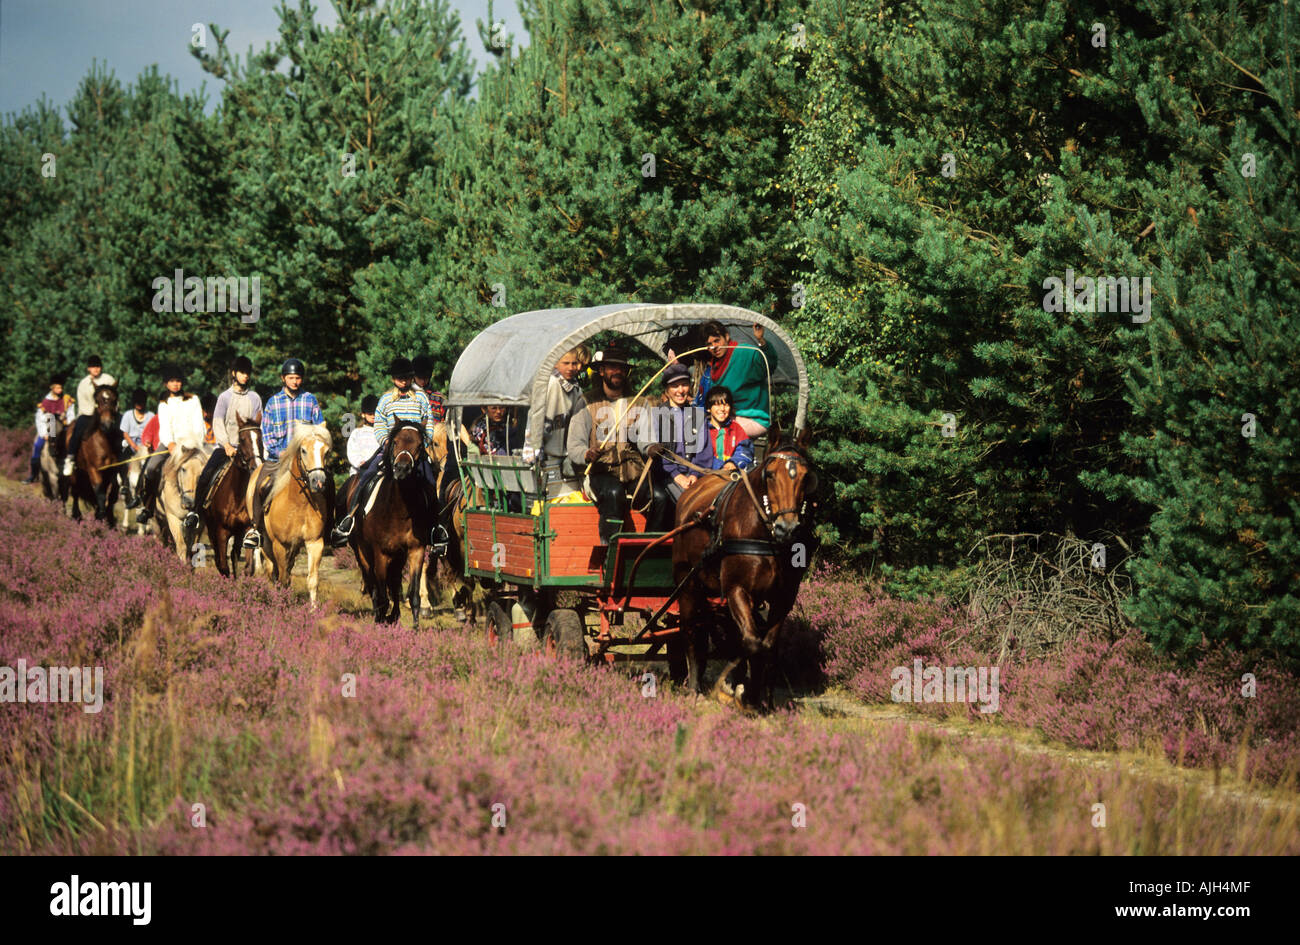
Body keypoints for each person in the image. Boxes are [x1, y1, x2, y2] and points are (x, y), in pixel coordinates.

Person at [330, 357, 436, 546]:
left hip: (415, 451)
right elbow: (379, 423)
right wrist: (385, 440)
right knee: (366, 476)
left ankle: (437, 528)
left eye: (407, 377)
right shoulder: (386, 399)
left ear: (412, 378)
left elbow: (428, 421)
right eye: (399, 377)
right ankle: (350, 518)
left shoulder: (421, 398)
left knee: (431, 482)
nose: (403, 381)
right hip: (391, 450)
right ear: (393, 379)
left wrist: (424, 442)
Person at [566, 342, 653, 544]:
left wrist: (651, 448)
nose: (617, 371)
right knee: (613, 493)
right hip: (599, 471)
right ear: (602, 371)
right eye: (612, 367)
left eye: (621, 367)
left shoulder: (639, 402)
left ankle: (650, 551)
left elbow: (646, 439)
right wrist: (587, 453)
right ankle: (610, 552)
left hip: (633, 472)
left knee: (658, 496)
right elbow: (574, 445)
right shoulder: (587, 402)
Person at [184, 357, 263, 537]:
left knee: (263, 478)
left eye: (247, 373)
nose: (245, 376)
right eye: (242, 372)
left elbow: (259, 425)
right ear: (234, 374)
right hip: (228, 446)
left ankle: (263, 520)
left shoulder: (255, 398)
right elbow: (218, 422)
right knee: (205, 475)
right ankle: (195, 512)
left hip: (249, 449)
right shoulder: (224, 397)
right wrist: (226, 444)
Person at [135, 365, 205, 524]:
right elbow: (165, 429)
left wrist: (195, 443)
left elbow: (199, 425)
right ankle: (148, 506)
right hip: (170, 445)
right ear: (166, 384)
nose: (175, 384)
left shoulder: (193, 400)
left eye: (178, 381)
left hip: (193, 445)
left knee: (209, 470)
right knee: (151, 467)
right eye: (172, 381)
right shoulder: (164, 404)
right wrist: (171, 444)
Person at [646, 361, 709, 521]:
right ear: (666, 390)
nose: (681, 390)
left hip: (694, 474)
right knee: (692, 506)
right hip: (667, 476)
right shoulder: (659, 415)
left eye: (684, 384)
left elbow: (703, 450)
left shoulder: (695, 414)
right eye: (675, 386)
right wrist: (676, 476)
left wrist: (695, 474)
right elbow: (660, 455)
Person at [693, 320, 772, 438]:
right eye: (709, 344)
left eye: (716, 340)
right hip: (727, 416)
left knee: (710, 434)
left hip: (753, 418)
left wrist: (761, 341)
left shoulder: (745, 353)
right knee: (692, 427)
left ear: (726, 336)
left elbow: (769, 365)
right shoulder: (714, 367)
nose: (714, 347)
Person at [541, 345, 589, 494]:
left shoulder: (575, 388)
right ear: (556, 363)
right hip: (548, 452)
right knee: (551, 494)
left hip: (566, 452)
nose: (572, 367)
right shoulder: (550, 383)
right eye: (566, 363)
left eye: (574, 363)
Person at [261, 358, 324, 461]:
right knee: (261, 476)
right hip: (278, 460)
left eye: (297, 378)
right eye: (290, 378)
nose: (294, 382)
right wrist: (280, 453)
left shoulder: (310, 400)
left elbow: (319, 430)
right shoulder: (273, 403)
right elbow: (267, 434)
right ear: (283, 378)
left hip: (306, 460)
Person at [692, 385, 754, 473]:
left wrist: (733, 463)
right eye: (717, 405)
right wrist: (721, 466)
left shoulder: (736, 428)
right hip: (706, 475)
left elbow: (745, 450)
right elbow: (700, 456)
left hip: (732, 475)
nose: (722, 409)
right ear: (709, 408)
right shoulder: (701, 429)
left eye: (726, 405)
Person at [26, 378, 67, 483]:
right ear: (52, 388)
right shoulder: (45, 402)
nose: (60, 389)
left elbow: (70, 415)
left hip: (62, 428)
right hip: (47, 429)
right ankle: (33, 474)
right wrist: (44, 433)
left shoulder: (65, 400)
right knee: (38, 446)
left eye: (61, 387)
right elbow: (40, 418)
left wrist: (66, 419)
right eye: (57, 387)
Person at [346, 394, 379, 476]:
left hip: (379, 470)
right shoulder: (357, 433)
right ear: (363, 414)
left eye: (375, 413)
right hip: (359, 471)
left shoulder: (382, 432)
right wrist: (359, 462)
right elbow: (352, 451)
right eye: (370, 414)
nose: (373, 416)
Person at [412, 355, 447, 424]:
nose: (422, 381)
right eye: (419, 378)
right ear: (414, 375)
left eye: (425, 378)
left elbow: (446, 422)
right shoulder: (406, 395)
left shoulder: (439, 398)